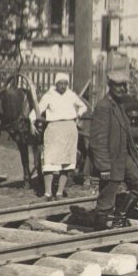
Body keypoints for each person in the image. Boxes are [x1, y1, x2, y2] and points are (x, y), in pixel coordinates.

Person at [89, 71, 138, 230]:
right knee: (107, 199)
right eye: (118, 85)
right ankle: (99, 232)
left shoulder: (120, 105)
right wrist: (104, 167)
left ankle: (119, 218)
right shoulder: (103, 107)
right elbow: (97, 140)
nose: (122, 89)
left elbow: (124, 131)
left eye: (124, 85)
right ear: (110, 85)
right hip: (110, 160)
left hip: (124, 157)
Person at [34, 72, 89, 201]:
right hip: (53, 130)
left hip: (69, 130)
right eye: (61, 83)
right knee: (49, 161)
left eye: (65, 84)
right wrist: (32, 121)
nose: (63, 86)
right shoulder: (49, 96)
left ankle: (59, 193)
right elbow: (38, 110)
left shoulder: (71, 95)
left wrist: (77, 115)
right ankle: (48, 193)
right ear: (56, 84)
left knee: (66, 163)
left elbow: (83, 107)